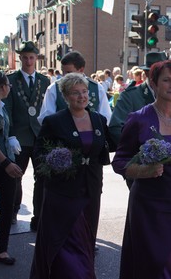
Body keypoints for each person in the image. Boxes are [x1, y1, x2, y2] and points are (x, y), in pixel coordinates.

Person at [112, 60, 171, 278]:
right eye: (166, 80)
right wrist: (142, 171)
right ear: (154, 83)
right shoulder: (139, 118)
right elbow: (119, 161)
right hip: (147, 206)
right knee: (155, 263)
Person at [30, 73, 113, 278]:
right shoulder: (54, 121)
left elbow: (111, 144)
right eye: (75, 93)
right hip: (63, 191)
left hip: (91, 187)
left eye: (84, 92)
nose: (81, 96)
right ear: (66, 97)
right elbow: (39, 152)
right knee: (66, 239)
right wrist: (55, 160)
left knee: (87, 238)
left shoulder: (98, 119)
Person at [4, 41, 50, 230]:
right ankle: (14, 210)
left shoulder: (44, 80)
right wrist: (11, 135)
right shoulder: (11, 80)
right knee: (16, 176)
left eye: (32, 57)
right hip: (20, 136)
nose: (29, 61)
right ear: (20, 58)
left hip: (39, 135)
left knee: (42, 178)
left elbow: (47, 109)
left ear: (36, 58)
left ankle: (38, 216)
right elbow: (7, 109)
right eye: (25, 57)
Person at [0, 67, 23, 265]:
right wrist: (6, 163)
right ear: (2, 87)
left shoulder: (0, 105)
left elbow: (3, 131)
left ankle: (2, 250)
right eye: (8, 84)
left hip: (5, 163)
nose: (9, 87)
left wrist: (11, 140)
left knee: (7, 207)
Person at [37, 51, 112, 125]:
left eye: (69, 72)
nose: (65, 76)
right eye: (63, 72)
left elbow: (106, 117)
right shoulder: (53, 88)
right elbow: (45, 117)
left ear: (81, 70)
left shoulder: (97, 88)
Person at [108, 52, 167, 145]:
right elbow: (116, 128)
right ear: (147, 74)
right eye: (159, 73)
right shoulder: (130, 96)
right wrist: (140, 151)